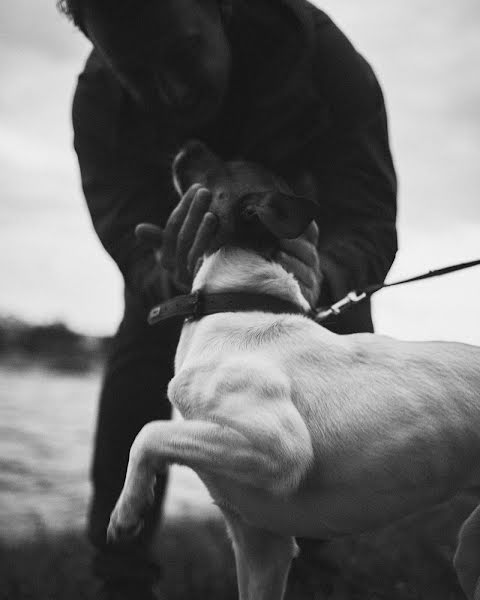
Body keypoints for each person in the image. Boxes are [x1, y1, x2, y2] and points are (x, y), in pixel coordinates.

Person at [57, 0, 397, 598]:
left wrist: (323, 275)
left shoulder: (325, 57)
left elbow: (369, 217)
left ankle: (315, 569)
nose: (170, 91)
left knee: (335, 373)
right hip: (181, 272)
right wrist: (167, 279)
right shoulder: (97, 105)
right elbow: (130, 245)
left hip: (311, 256)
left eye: (183, 52)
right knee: (140, 360)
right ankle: (121, 577)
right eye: (136, 71)